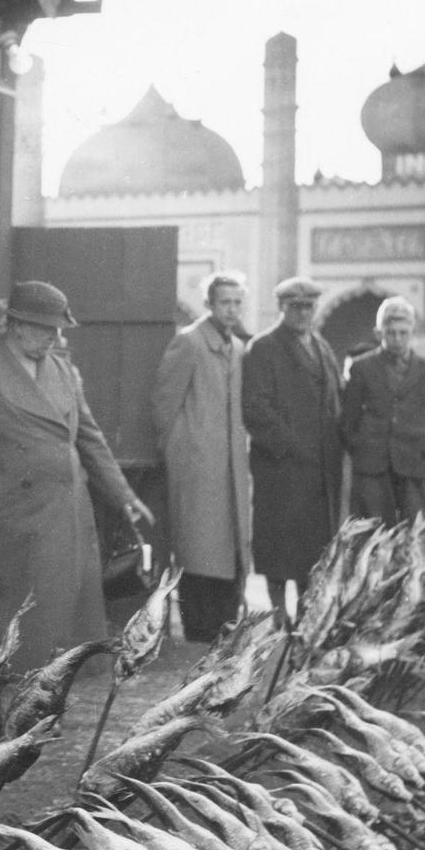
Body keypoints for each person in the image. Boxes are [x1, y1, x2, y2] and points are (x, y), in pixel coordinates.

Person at [0, 280, 153, 674]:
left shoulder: (64, 372)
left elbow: (90, 437)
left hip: (64, 517)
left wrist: (124, 495)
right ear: (16, 324)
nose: (54, 337)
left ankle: (48, 695)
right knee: (9, 619)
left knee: (59, 619)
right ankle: (0, 696)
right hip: (4, 518)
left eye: (58, 329)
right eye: (45, 328)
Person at [150, 272, 250, 643]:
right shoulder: (190, 343)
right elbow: (163, 407)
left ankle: (222, 634)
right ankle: (197, 635)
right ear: (208, 303)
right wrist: (183, 455)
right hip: (197, 473)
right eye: (225, 302)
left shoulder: (237, 348)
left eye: (238, 302)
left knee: (229, 558)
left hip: (230, 474)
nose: (232, 310)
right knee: (199, 555)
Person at [241, 276, 343, 626]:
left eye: (308, 306)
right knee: (278, 544)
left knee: (312, 548)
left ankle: (304, 613)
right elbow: (255, 408)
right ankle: (277, 612)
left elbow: (335, 401)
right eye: (295, 306)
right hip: (281, 467)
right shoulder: (263, 348)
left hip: (319, 469)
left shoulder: (322, 347)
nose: (302, 313)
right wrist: (290, 445)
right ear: (281, 307)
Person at [340, 296, 425, 525]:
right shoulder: (362, 368)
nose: (397, 339)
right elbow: (348, 421)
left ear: (412, 332)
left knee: (418, 535)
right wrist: (362, 448)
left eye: (403, 333)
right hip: (373, 466)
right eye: (391, 333)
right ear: (380, 333)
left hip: (415, 463)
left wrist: (423, 446)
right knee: (373, 535)